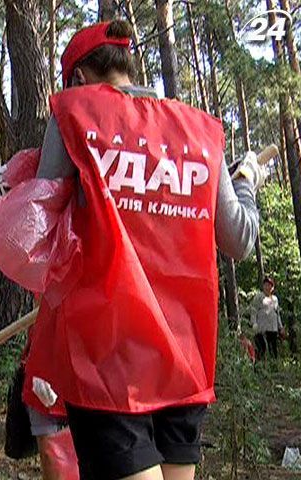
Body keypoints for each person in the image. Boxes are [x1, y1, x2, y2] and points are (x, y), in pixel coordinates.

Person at [24, 20, 265, 480]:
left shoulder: (74, 112)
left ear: (77, 79)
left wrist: (24, 179)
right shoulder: (201, 132)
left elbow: (40, 224)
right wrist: (246, 182)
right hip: (183, 359)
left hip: (107, 361)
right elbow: (240, 239)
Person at [251, 276, 283, 360]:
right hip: (261, 328)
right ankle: (259, 370)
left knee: (273, 350)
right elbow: (253, 311)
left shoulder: (275, 299)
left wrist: (281, 327)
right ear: (263, 286)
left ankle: (274, 368)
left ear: (272, 287)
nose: (267, 287)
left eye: (269, 285)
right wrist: (254, 323)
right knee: (261, 350)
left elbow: (277, 314)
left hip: (272, 328)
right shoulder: (259, 297)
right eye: (265, 285)